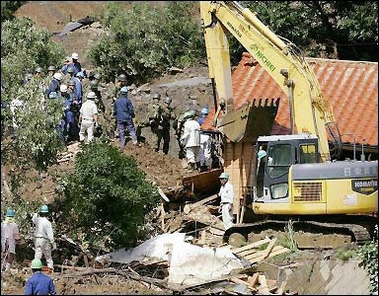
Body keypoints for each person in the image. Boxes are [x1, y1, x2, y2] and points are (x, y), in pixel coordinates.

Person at [32, 205, 56, 272]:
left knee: (37, 256)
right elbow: (50, 234)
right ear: (47, 213)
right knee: (48, 257)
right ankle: (50, 270)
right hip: (44, 240)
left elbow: (33, 218)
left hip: (37, 239)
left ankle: (35, 270)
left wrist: (36, 213)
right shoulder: (47, 222)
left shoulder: (37, 220)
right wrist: (53, 243)